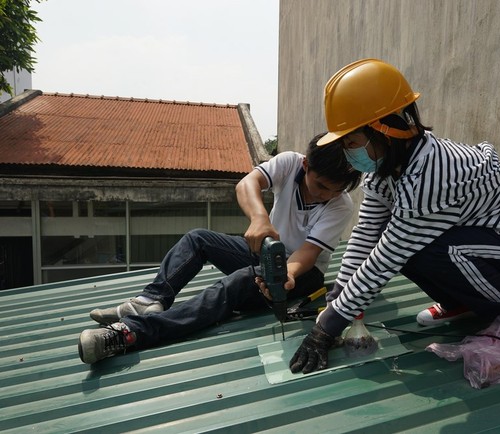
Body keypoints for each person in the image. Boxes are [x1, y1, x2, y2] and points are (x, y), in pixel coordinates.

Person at [289, 59, 500, 374]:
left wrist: (328, 327)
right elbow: (366, 232)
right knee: (412, 243)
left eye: (351, 142)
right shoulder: (386, 169)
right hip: (486, 243)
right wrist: (338, 294)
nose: (350, 154)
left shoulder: (431, 174)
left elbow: (386, 258)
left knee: (432, 248)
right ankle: (460, 303)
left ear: (383, 129)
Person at [78, 133, 361, 364]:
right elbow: (247, 183)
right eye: (321, 186)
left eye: (334, 191)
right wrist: (260, 218)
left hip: (299, 273)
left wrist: (284, 275)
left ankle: (130, 333)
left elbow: (309, 253)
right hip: (267, 252)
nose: (325, 195)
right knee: (198, 238)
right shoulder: (288, 162)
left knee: (234, 285)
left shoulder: (340, 206)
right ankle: (151, 300)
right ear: (306, 166)